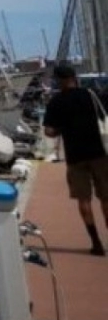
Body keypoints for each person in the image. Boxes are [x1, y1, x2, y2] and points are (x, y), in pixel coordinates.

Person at [42, 63, 108, 256]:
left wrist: (63, 127)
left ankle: (96, 242)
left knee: (84, 199)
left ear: (58, 80)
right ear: (74, 77)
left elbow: (49, 131)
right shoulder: (90, 95)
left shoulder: (56, 102)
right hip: (99, 153)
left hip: (75, 156)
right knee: (106, 197)